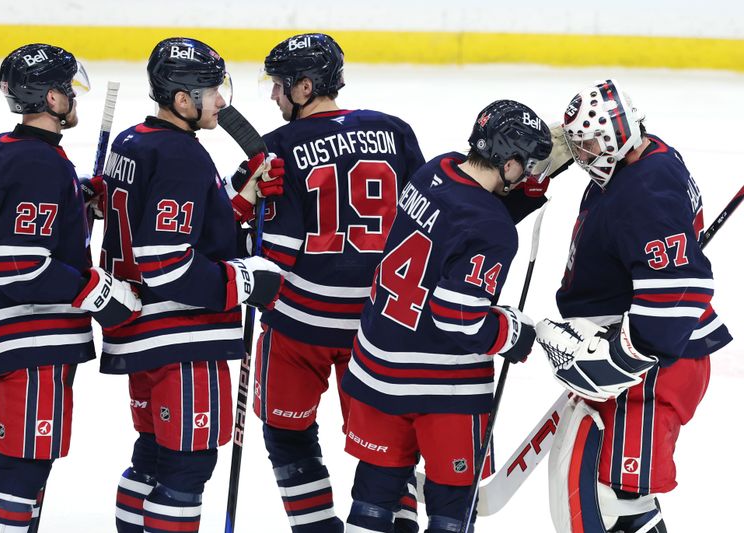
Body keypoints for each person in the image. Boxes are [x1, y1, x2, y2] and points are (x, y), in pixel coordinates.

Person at [339, 99, 553, 533]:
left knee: (375, 496)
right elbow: (460, 318)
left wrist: (528, 195)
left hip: (376, 365)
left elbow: (458, 224)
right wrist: (513, 332)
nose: (528, 173)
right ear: (508, 163)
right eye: (525, 165)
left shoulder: (434, 170)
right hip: (443, 388)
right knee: (451, 509)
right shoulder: (493, 229)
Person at [0, 43, 141, 533]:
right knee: (25, 463)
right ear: (52, 99)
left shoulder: (0, 149)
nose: (75, 100)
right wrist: (101, 295)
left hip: (3, 325)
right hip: (26, 331)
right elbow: (20, 265)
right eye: (68, 91)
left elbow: (14, 213)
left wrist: (74, 200)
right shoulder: (41, 164)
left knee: (29, 461)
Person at [97, 37, 282, 533]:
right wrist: (244, 279)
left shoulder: (134, 141)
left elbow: (188, 226)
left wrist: (242, 195)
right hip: (179, 337)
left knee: (153, 456)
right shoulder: (180, 154)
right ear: (182, 101)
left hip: (140, 333)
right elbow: (167, 262)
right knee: (187, 466)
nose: (222, 100)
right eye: (211, 90)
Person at [535, 79, 733, 533]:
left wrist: (626, 354)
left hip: (654, 365)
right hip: (636, 348)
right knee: (619, 494)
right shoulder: (645, 156)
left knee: (615, 497)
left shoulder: (646, 192)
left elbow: (681, 286)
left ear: (612, 140)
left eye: (584, 145)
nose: (579, 154)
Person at [250, 33, 426, 533]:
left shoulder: (278, 147)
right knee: (389, 440)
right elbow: (425, 219)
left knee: (286, 431)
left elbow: (273, 250)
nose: (273, 96)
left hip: (301, 323)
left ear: (305, 87)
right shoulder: (393, 131)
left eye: (280, 86)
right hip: (380, 321)